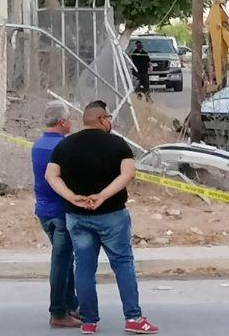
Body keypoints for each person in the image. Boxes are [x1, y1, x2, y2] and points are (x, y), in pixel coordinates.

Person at [45, 100, 158, 335]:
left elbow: (51, 175)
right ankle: (133, 318)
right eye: (108, 118)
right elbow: (129, 172)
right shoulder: (117, 144)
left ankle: (88, 321)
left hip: (77, 216)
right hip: (112, 216)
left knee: (84, 267)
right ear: (100, 120)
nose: (110, 122)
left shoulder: (65, 146)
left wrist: (72, 196)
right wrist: (103, 196)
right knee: (123, 265)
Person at [31, 101, 80, 328]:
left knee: (65, 259)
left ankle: (71, 305)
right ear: (62, 122)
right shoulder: (65, 147)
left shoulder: (38, 145)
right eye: (69, 118)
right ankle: (59, 312)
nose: (71, 122)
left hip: (44, 211)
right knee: (61, 262)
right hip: (61, 211)